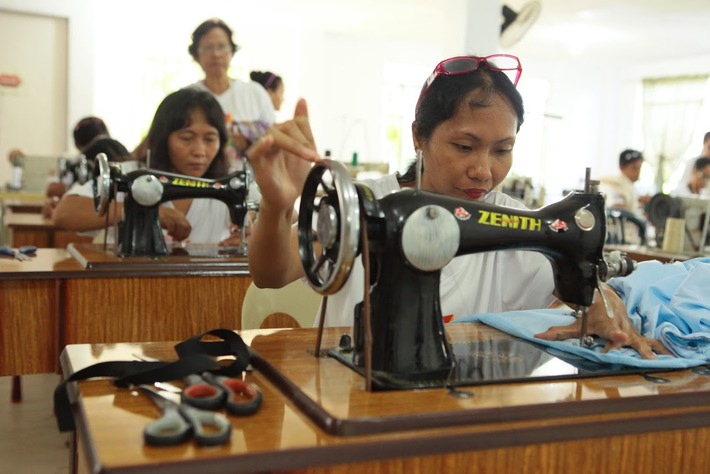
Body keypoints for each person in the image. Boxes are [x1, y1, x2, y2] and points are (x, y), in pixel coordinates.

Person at [244, 54, 670, 360]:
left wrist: (601, 297)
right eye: (465, 147)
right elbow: (271, 274)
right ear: (419, 136)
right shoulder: (363, 202)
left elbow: (577, 285)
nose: (484, 171)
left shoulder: (517, 222)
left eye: (503, 150)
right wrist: (279, 206)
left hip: (478, 407)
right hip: (355, 394)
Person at [53, 88, 242, 246]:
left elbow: (254, 230)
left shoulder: (229, 184)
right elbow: (64, 213)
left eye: (210, 139)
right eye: (186, 138)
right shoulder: (131, 174)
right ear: (163, 138)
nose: (200, 151)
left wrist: (247, 239)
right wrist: (139, 211)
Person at [187, 18, 275, 171]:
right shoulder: (188, 97)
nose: (216, 54)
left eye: (222, 47)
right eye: (207, 48)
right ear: (196, 55)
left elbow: (273, 140)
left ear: (231, 52)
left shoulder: (254, 93)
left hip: (251, 184)